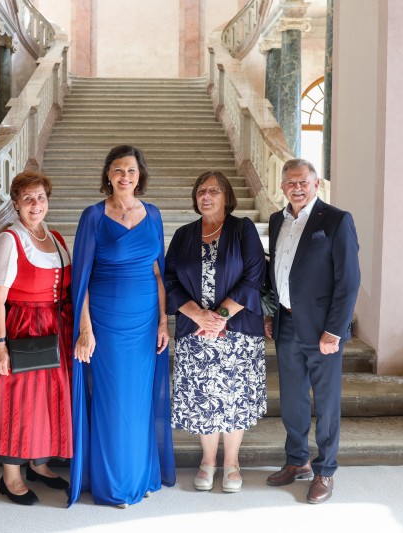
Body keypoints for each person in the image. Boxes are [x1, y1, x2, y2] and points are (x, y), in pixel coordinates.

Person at [68, 145, 176, 508]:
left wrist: (163, 322)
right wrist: (86, 330)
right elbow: (80, 280)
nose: (124, 177)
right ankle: (114, 483)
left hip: (145, 321)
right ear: (108, 175)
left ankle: (143, 474)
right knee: (113, 401)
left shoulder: (154, 214)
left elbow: (159, 272)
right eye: (118, 170)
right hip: (106, 320)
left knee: (141, 400)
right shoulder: (93, 217)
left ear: (140, 175)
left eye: (131, 170)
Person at [264, 158, 360, 504]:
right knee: (292, 398)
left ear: (316, 184)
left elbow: (348, 281)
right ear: (283, 187)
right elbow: (276, 271)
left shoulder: (335, 220)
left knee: (326, 402)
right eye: (290, 183)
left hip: (323, 330)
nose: (297, 188)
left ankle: (326, 470)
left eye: (303, 182)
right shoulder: (277, 220)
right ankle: (297, 460)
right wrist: (272, 312)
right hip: (287, 323)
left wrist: (335, 330)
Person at [165, 171, 267, 494]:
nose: (205, 196)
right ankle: (208, 461)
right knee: (203, 398)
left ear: (227, 197)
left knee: (234, 398)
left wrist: (219, 317)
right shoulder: (183, 235)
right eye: (201, 191)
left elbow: (254, 276)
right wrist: (197, 315)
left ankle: (232, 463)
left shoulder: (243, 229)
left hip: (236, 330)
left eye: (214, 190)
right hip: (194, 333)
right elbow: (168, 281)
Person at [0, 171, 73, 506]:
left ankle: (39, 462)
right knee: (17, 400)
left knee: (47, 399)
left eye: (41, 198)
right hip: (23, 327)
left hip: (55, 326)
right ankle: (11, 476)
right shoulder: (10, 239)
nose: (36, 205)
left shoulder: (57, 238)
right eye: (29, 199)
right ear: (16, 203)